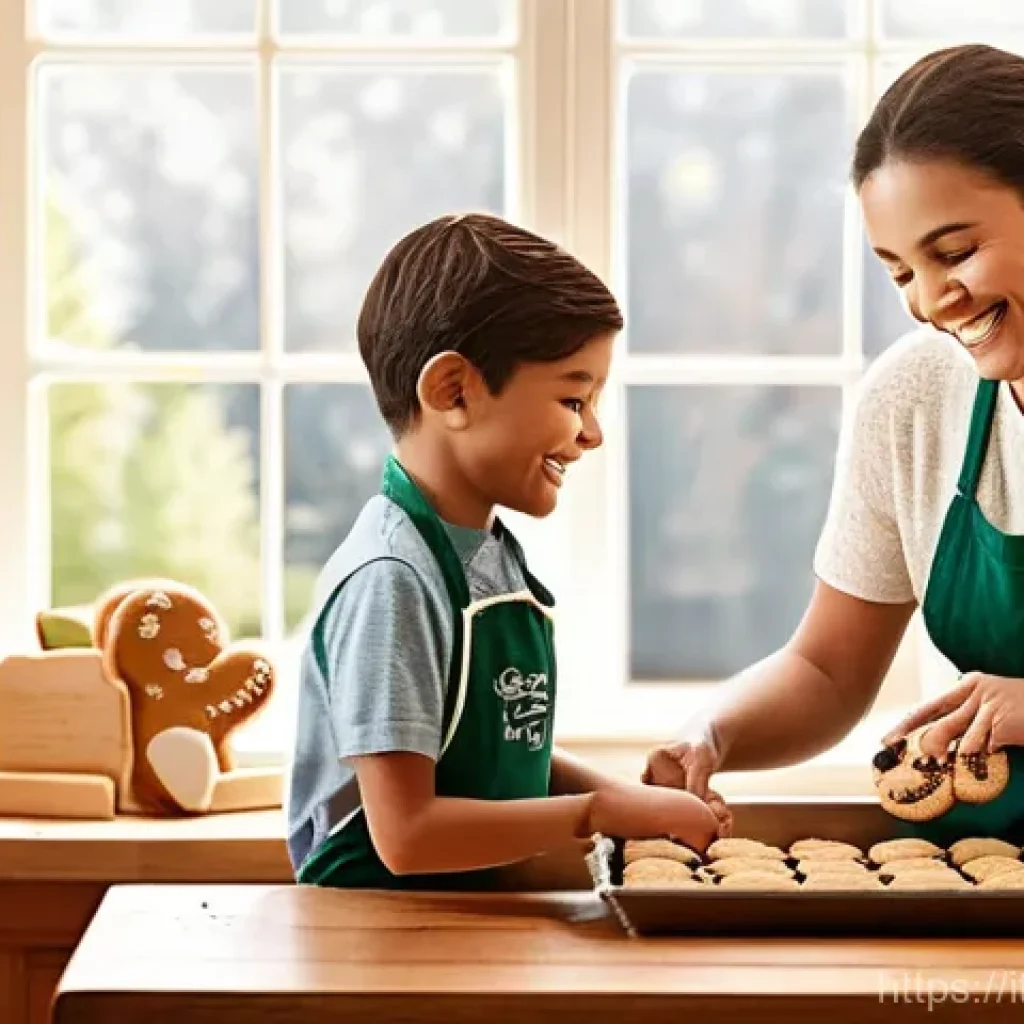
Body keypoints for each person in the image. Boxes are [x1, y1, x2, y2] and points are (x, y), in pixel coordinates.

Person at [644, 43, 1024, 844]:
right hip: (984, 886)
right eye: (899, 272)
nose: (928, 302)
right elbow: (826, 670)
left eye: (953, 253)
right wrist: (712, 733)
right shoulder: (913, 401)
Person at [287, 212, 725, 889]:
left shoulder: (484, 555)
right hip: (379, 932)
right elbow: (406, 836)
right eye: (574, 399)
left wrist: (637, 802)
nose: (593, 434)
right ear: (453, 391)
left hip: (460, 921)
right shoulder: (392, 579)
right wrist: (602, 811)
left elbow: (503, 759)